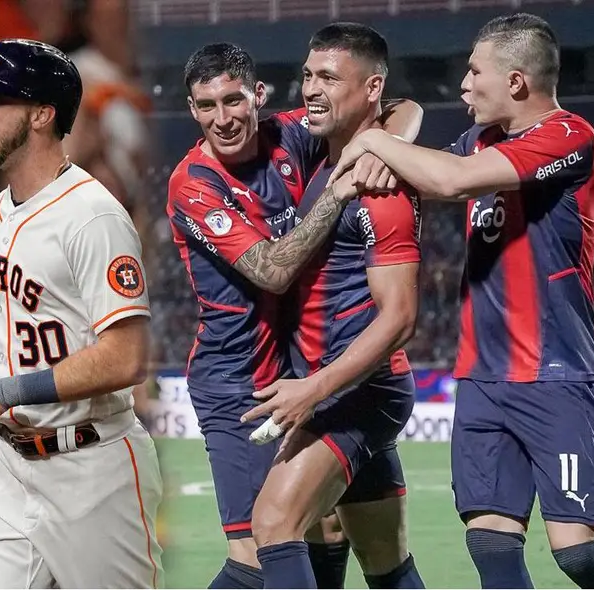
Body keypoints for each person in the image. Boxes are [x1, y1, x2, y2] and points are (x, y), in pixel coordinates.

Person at [329, 13, 594, 589]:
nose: (463, 84)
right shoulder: (480, 139)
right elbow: (415, 137)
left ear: (514, 81)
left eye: (474, 71)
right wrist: (386, 145)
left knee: (578, 555)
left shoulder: (569, 135)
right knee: (490, 545)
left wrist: (375, 141)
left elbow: (451, 180)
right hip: (481, 377)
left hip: (555, 377)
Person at [166, 41, 422, 589]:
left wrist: (381, 148)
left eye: (233, 100)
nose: (222, 118)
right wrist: (341, 187)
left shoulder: (291, 134)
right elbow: (273, 270)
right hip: (239, 383)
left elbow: (402, 108)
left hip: (307, 373)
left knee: (342, 539)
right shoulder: (194, 184)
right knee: (259, 554)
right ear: (192, 110)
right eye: (206, 106)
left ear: (258, 96)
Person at [0, 39, 163, 588]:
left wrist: (2, 393)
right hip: (7, 465)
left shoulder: (93, 217)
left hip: (92, 466)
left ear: (42, 114)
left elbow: (125, 358)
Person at [240, 23, 425, 589]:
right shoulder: (330, 161)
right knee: (384, 563)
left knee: (273, 524)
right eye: (306, 75)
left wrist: (313, 391)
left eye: (327, 77)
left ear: (370, 89)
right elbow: (405, 109)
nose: (310, 89)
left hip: (356, 393)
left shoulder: (382, 189)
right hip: (337, 389)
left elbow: (400, 318)